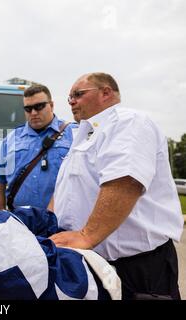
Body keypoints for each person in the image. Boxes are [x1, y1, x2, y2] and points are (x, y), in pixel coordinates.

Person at [49, 72, 184, 299]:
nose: (71, 101)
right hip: (93, 263)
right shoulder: (85, 134)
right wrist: (50, 222)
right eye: (69, 97)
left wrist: (87, 235)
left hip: (135, 269)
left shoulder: (127, 121)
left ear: (106, 92)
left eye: (78, 94)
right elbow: (69, 188)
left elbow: (125, 180)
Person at [0, 83, 77, 211]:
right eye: (28, 109)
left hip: (59, 221)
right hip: (18, 221)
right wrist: (1, 212)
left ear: (51, 105)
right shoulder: (11, 139)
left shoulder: (73, 134)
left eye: (39, 107)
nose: (33, 113)